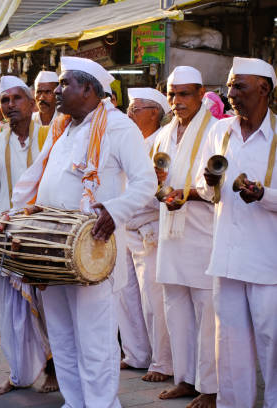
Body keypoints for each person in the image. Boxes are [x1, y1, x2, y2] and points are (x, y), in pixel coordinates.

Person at [11, 56, 156, 408]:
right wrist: (17, 216)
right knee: (62, 337)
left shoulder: (119, 127)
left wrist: (114, 211)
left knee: (94, 339)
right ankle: (75, 403)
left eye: (64, 84)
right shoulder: (63, 127)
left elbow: (146, 182)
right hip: (53, 247)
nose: (57, 91)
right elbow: (38, 176)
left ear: (89, 89)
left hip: (93, 250)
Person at [197, 57, 277, 408]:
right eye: (229, 85)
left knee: (273, 345)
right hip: (226, 257)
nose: (230, 93)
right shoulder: (220, 130)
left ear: (264, 89)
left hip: (267, 260)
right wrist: (209, 183)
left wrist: (263, 195)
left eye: (239, 86)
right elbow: (203, 188)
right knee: (229, 346)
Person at [0, 75, 58, 395]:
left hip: (44, 238)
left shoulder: (52, 137)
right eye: (4, 101)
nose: (10, 106)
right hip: (4, 236)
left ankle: (53, 370)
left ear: (31, 102)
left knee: (49, 310)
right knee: (5, 311)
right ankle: (18, 372)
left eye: (16, 99)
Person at [153, 66, 218, 407]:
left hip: (202, 230)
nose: (177, 102)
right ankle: (185, 378)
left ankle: (210, 386)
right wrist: (158, 185)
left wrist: (187, 194)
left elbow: (217, 181)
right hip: (170, 230)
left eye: (184, 94)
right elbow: (155, 178)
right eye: (172, 94)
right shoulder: (165, 132)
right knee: (174, 307)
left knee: (207, 311)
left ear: (200, 92)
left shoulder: (217, 129)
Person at [121, 88, 173, 383]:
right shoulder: (132, 141)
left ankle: (162, 361)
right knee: (126, 296)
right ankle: (135, 353)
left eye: (136, 108)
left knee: (152, 298)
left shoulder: (161, 142)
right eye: (129, 108)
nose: (130, 113)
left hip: (149, 227)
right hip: (126, 225)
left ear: (154, 112)